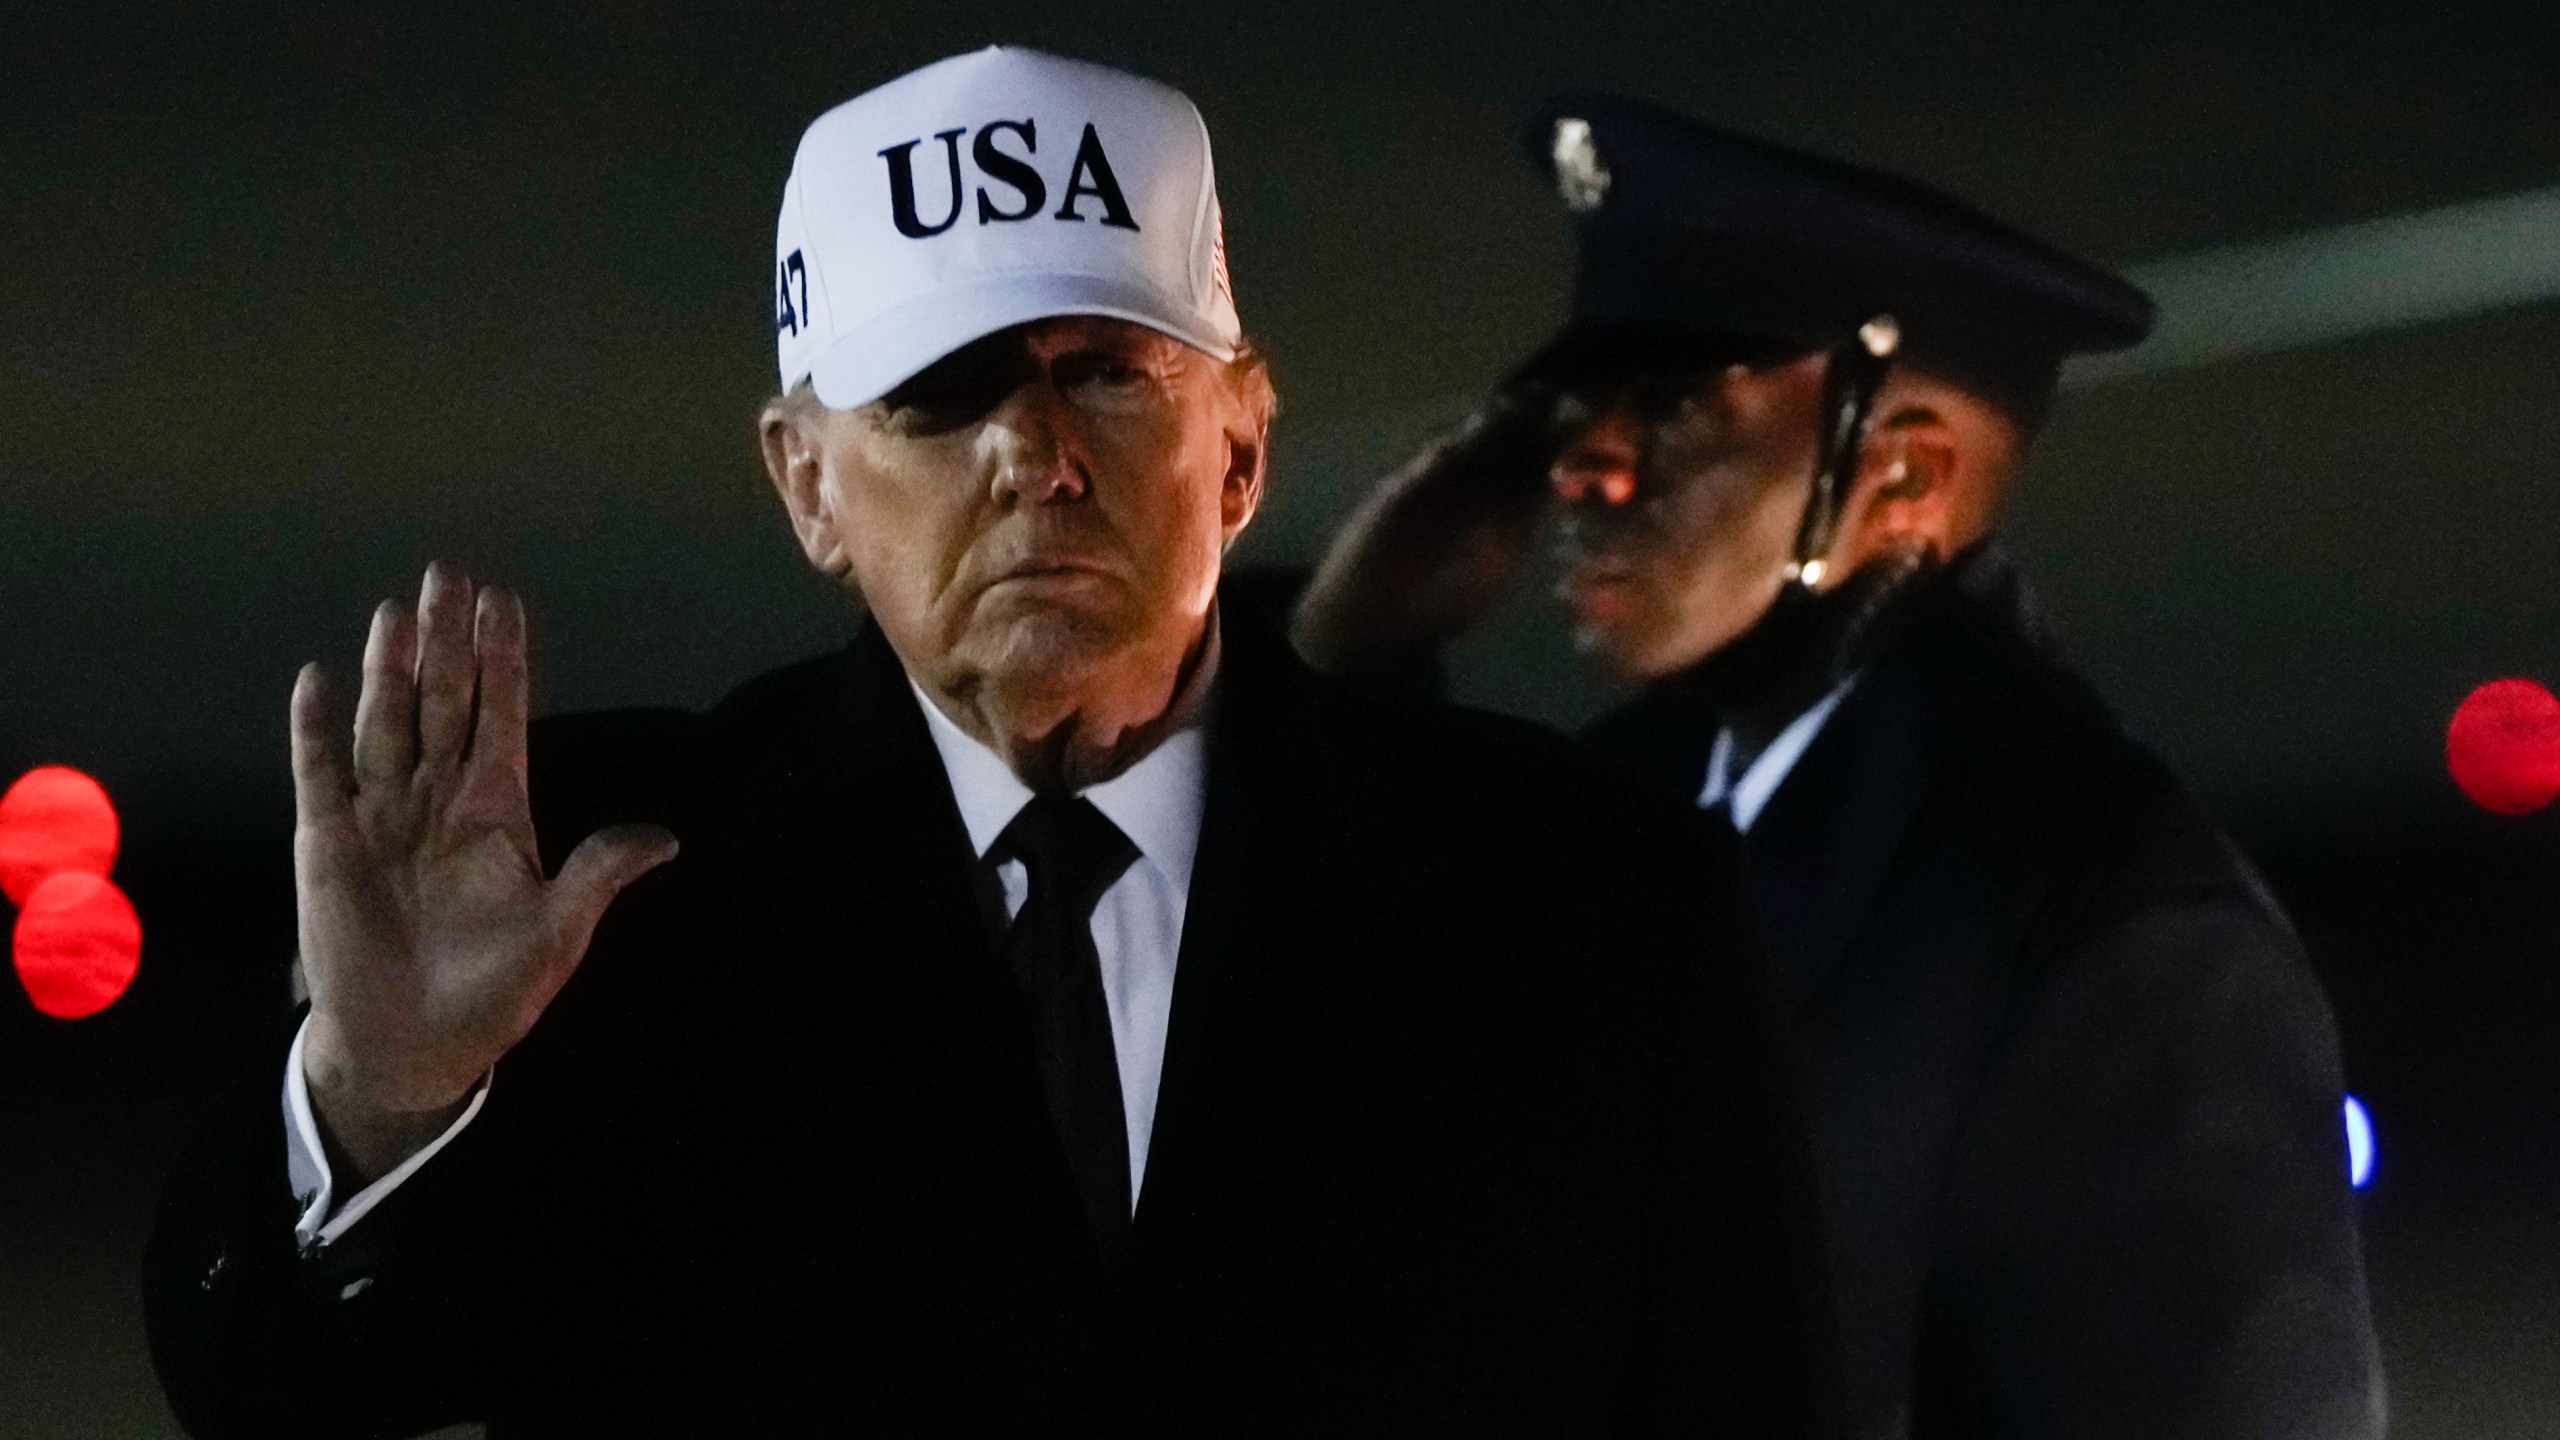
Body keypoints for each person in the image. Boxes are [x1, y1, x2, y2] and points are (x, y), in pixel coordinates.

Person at [142, 51, 1840, 1437]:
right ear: (808, 485)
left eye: (1104, 374)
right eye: (939, 397)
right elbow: (279, 1394)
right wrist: (380, 1105)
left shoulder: (1589, 905)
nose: (1036, 457)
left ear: (1241, 449)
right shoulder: (589, 900)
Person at [1296, 100, 2384, 1439]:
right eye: (1577, 409)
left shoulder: (2101, 918)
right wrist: (1355, 657)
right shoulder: (1629, 809)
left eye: (1676, 409)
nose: (1583, 466)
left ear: (1908, 475)